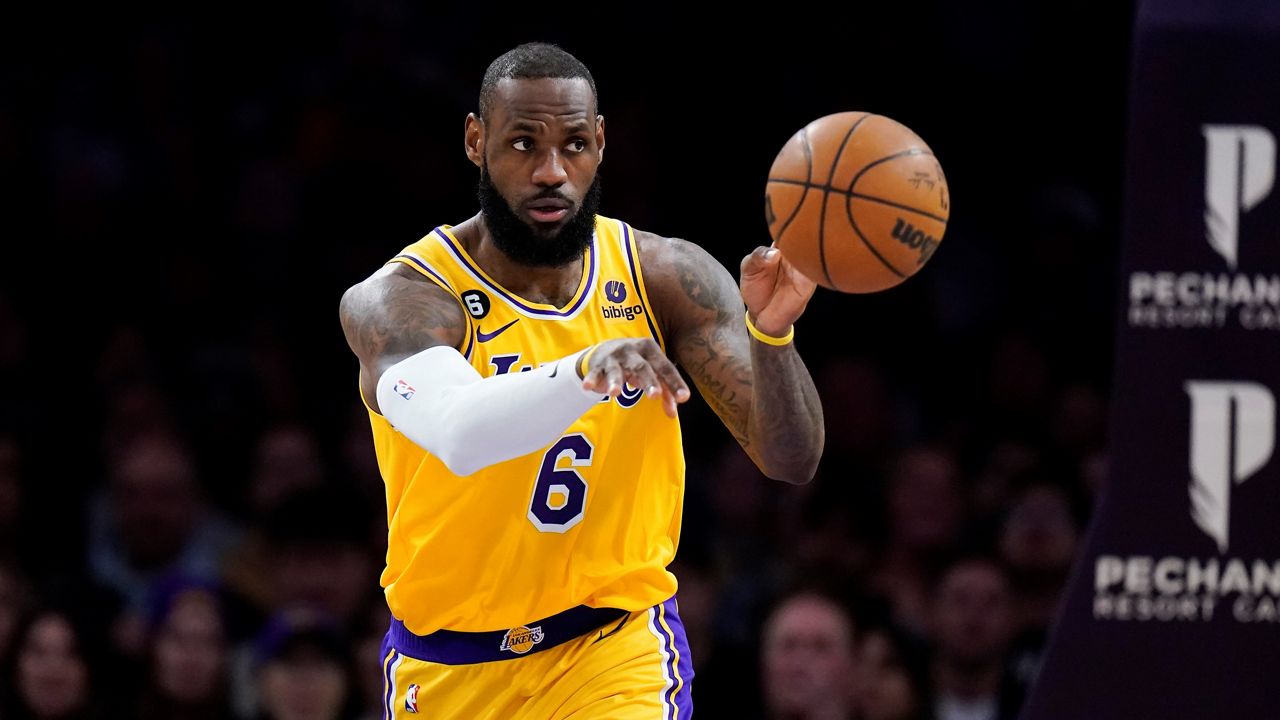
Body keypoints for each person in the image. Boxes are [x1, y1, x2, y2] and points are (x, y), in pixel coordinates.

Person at [339, 41, 825, 718]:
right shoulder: (403, 299)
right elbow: (458, 432)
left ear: (600, 143)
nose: (551, 172)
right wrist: (579, 374)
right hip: (449, 667)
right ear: (476, 141)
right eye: (523, 144)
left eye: (573, 145)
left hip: (611, 651)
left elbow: (791, 459)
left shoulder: (664, 276)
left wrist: (771, 335)